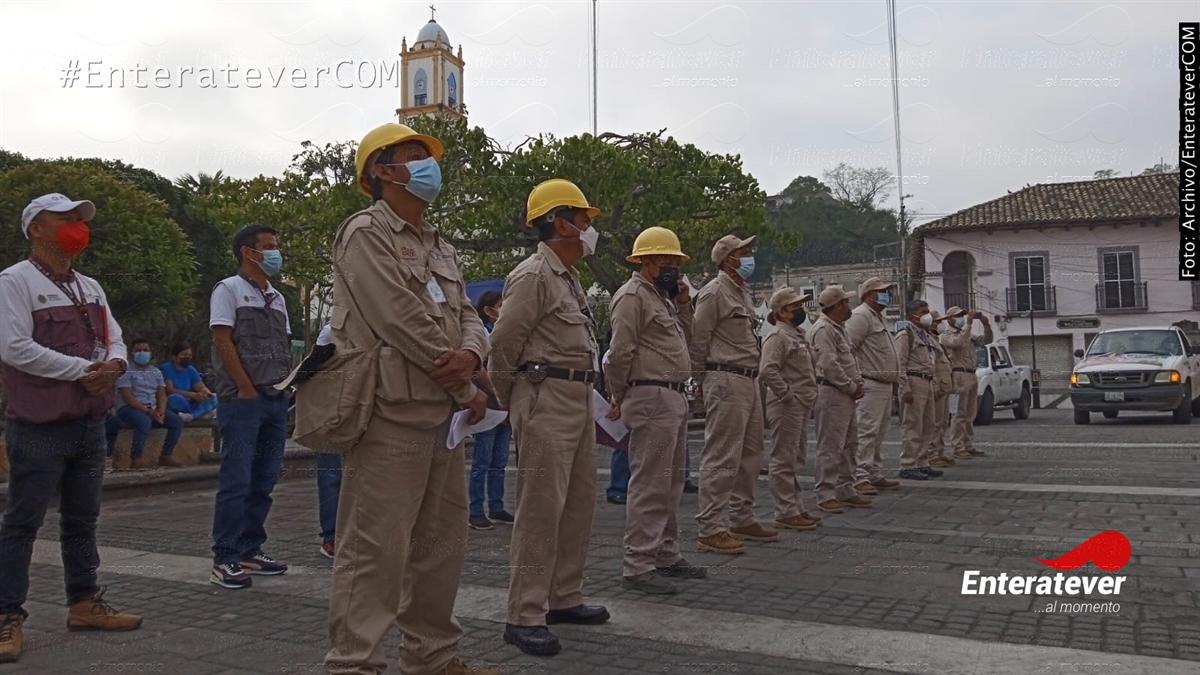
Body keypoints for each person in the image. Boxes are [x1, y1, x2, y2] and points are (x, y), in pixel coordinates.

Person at [323, 123, 495, 675]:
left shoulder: (439, 243)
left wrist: (472, 355)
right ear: (381, 171)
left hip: (441, 416)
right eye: (414, 155)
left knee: (441, 547)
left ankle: (433, 657)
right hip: (389, 412)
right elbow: (399, 317)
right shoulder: (364, 233)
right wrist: (464, 382)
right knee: (374, 549)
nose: (427, 165)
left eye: (428, 156)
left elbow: (468, 314)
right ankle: (353, 663)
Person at [0, 193, 142, 664]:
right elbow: (14, 347)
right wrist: (85, 370)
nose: (76, 226)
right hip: (38, 424)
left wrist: (116, 364)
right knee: (22, 522)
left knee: (82, 519)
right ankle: (6, 615)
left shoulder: (90, 286)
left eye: (79, 219)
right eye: (64, 218)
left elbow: (114, 336)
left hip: (89, 420)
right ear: (35, 228)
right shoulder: (14, 282)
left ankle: (84, 603)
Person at [488, 179, 608, 658]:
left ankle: (564, 597)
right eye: (582, 219)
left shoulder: (568, 278)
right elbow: (502, 345)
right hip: (545, 395)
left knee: (577, 504)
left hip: (577, 395)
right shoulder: (533, 275)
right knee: (540, 508)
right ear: (558, 223)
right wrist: (512, 401)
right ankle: (525, 614)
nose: (588, 228)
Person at [606, 226, 705, 596]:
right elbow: (620, 351)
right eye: (665, 261)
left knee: (671, 482)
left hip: (672, 394)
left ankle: (665, 553)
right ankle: (638, 563)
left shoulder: (662, 299)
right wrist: (618, 394)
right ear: (646, 262)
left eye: (675, 262)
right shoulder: (632, 296)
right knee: (650, 482)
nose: (673, 268)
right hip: (650, 393)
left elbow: (688, 339)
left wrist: (684, 304)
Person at [207, 225, 294, 590]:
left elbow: (283, 345)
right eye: (268, 246)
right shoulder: (228, 289)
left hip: (275, 399)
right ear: (247, 251)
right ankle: (224, 557)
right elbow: (222, 341)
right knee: (237, 480)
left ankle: (249, 549)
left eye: (275, 246)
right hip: (243, 401)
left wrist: (289, 385)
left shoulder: (277, 296)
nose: (275, 253)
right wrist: (244, 387)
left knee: (264, 479)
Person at [689, 234, 778, 554]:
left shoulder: (741, 292)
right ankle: (710, 527)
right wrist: (700, 381)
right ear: (728, 259)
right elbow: (698, 340)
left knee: (751, 453)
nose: (751, 256)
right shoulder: (714, 292)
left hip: (748, 378)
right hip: (725, 376)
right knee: (722, 454)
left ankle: (742, 516)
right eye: (744, 252)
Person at [759, 287, 823, 532]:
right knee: (784, 459)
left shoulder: (797, 335)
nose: (800, 310)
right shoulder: (778, 336)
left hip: (801, 403)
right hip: (787, 405)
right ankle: (785, 511)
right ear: (781, 312)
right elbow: (768, 370)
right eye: (795, 306)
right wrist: (787, 396)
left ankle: (795, 507)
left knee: (795, 458)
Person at [809, 285, 871, 514]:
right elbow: (828, 364)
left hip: (845, 393)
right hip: (832, 392)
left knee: (850, 443)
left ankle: (845, 488)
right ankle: (825, 493)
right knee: (830, 445)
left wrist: (856, 383)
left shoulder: (839, 329)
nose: (848, 306)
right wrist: (851, 386)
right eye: (845, 302)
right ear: (837, 305)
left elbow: (848, 361)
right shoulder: (823, 329)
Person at [844, 277, 902, 496]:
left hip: (884, 384)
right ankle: (860, 476)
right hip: (870, 382)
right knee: (866, 432)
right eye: (882, 291)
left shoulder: (878, 317)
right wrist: (856, 378)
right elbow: (847, 348)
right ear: (869, 294)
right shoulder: (860, 316)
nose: (888, 294)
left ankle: (874, 472)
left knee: (879, 432)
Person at [468, 290, 514, 531]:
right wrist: (497, 394)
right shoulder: (481, 333)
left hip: (504, 406)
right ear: (488, 310)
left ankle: (496, 505)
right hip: (489, 404)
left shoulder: (505, 333)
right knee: (482, 460)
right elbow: (478, 368)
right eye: (501, 305)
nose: (505, 310)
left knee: (500, 459)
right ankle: (475, 510)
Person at [105, 337, 185, 468]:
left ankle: (166, 455)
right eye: (138, 350)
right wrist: (148, 412)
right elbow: (128, 397)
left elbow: (161, 394)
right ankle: (136, 459)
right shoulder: (126, 371)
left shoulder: (156, 372)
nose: (142, 353)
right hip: (129, 408)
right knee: (144, 421)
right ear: (132, 352)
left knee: (176, 421)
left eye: (145, 350)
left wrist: (161, 411)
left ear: (151, 352)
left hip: (152, 408)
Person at [894, 301, 944, 481]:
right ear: (912, 315)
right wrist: (904, 387)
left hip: (927, 381)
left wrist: (935, 384)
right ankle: (908, 464)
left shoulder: (925, 335)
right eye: (923, 312)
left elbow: (931, 361)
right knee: (913, 425)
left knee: (928, 425)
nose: (927, 315)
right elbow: (900, 363)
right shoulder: (905, 334)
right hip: (913, 381)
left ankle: (922, 462)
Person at [941, 307, 994, 460]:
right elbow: (958, 343)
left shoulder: (967, 333)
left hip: (971, 374)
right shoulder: (946, 335)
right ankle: (957, 446)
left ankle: (968, 445)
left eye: (962, 315)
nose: (961, 318)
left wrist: (986, 325)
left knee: (970, 413)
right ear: (949, 318)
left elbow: (986, 341)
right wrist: (968, 325)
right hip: (958, 375)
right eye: (957, 316)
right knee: (958, 413)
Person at [601, 346, 631, 505]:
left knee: (626, 447)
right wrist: (616, 400)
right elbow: (609, 380)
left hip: (628, 400)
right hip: (623, 401)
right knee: (623, 446)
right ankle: (618, 489)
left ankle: (622, 488)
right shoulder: (611, 354)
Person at [926, 310, 955, 467]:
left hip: (944, 388)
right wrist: (935, 383)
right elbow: (931, 364)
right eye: (937, 321)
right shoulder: (928, 340)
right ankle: (932, 454)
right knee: (935, 423)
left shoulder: (936, 340)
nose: (940, 324)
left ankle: (939, 451)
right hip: (937, 388)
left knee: (943, 422)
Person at [161, 342, 217, 421]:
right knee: (174, 398)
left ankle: (192, 416)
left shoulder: (191, 370)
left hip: (190, 403)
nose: (187, 357)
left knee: (215, 397)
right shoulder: (166, 367)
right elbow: (170, 390)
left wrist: (206, 394)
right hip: (178, 402)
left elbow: (201, 387)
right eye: (184, 354)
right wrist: (192, 395)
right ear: (175, 357)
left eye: (190, 355)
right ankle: (200, 413)